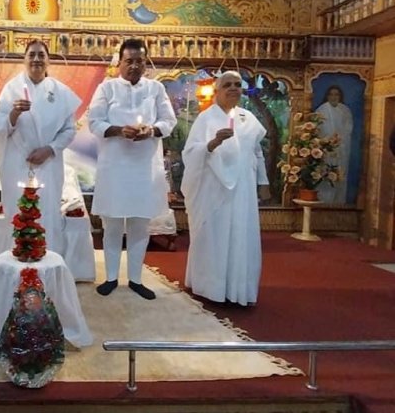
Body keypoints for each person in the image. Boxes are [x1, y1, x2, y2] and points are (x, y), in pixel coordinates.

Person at [88, 38, 177, 299]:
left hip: (144, 168)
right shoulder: (107, 88)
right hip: (114, 167)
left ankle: (136, 279)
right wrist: (118, 130)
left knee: (140, 225)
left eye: (140, 61)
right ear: (120, 62)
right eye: (129, 61)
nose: (135, 66)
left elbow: (169, 121)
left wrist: (151, 130)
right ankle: (112, 277)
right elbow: (94, 122)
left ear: (146, 62)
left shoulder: (156, 89)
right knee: (113, 225)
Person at [182, 70, 271, 306]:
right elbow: (190, 153)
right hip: (214, 188)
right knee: (214, 234)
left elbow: (256, 152)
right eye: (227, 85)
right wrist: (213, 143)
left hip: (243, 188)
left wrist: (264, 182)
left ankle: (238, 287)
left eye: (237, 85)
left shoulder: (248, 118)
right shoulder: (206, 119)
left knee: (241, 234)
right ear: (217, 91)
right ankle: (210, 286)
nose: (233, 88)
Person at [0, 39, 81, 256]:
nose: (37, 59)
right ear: (24, 59)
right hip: (17, 161)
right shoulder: (11, 89)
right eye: (32, 55)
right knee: (18, 212)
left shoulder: (61, 92)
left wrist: (49, 149)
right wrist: (13, 114)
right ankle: (17, 263)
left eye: (41, 55)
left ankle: (46, 265)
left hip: (48, 163)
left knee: (47, 213)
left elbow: (69, 130)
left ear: (48, 60)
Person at [314, 85, 353, 205]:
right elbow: (317, 128)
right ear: (327, 96)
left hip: (341, 148)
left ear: (340, 96)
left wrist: (339, 139)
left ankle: (338, 203)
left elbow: (348, 129)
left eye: (336, 94)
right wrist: (327, 140)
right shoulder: (321, 110)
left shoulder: (345, 110)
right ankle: (323, 202)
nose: (333, 97)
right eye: (331, 94)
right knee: (325, 175)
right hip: (325, 149)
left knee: (340, 175)